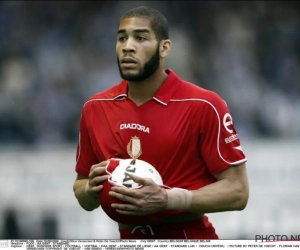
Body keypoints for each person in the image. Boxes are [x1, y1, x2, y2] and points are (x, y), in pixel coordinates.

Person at [73, 6, 249, 239]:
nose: (128, 46)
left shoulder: (204, 104)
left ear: (164, 47)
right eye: (122, 38)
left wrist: (167, 199)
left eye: (141, 37)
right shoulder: (95, 108)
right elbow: (81, 189)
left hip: (188, 237)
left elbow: (238, 192)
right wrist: (89, 190)